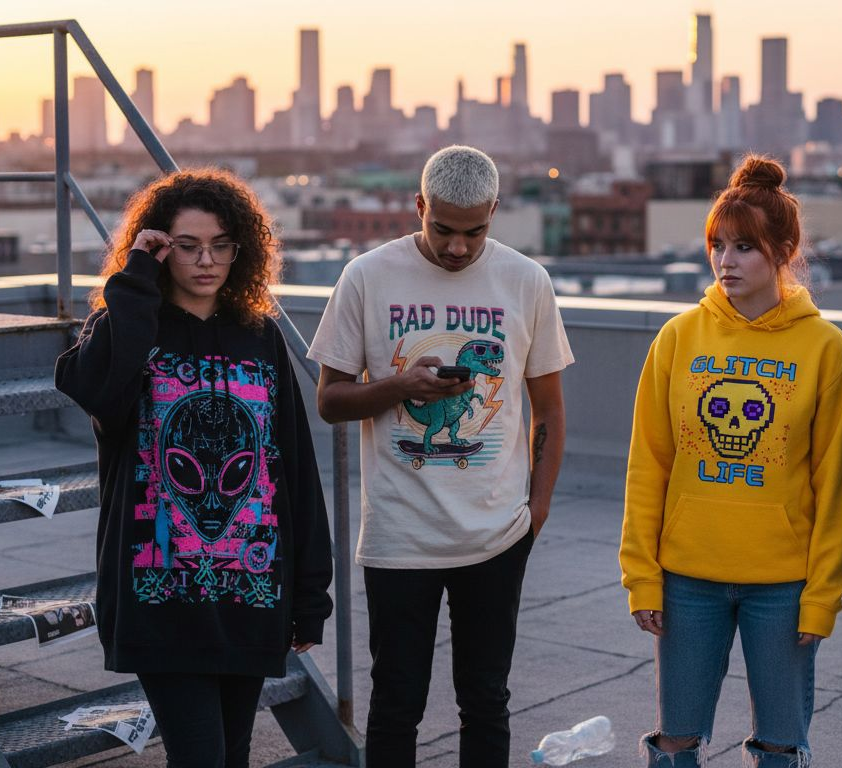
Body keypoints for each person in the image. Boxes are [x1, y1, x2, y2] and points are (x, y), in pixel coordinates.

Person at [55, 169, 334, 768]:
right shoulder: (127, 329)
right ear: (161, 247)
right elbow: (94, 388)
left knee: (233, 755)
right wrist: (136, 278)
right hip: (160, 601)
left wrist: (310, 593)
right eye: (187, 246)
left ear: (241, 249)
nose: (206, 261)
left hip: (250, 596)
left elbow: (293, 469)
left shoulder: (260, 336)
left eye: (220, 245)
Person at [308, 145, 573, 767]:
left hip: (497, 534)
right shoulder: (367, 275)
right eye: (443, 229)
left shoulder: (526, 280)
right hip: (400, 534)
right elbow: (330, 401)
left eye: (474, 232)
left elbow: (550, 410)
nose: (458, 247)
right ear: (419, 206)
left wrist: (536, 511)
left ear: (494, 212)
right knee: (396, 702)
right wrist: (402, 386)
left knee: (486, 701)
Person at [619, 154, 842, 767]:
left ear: (784, 251)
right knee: (674, 740)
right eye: (717, 245)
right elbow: (648, 465)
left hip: (782, 585)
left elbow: (835, 484)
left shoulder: (825, 348)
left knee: (780, 744)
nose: (726, 260)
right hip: (686, 578)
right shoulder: (678, 338)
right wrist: (641, 574)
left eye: (745, 247)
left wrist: (823, 594)